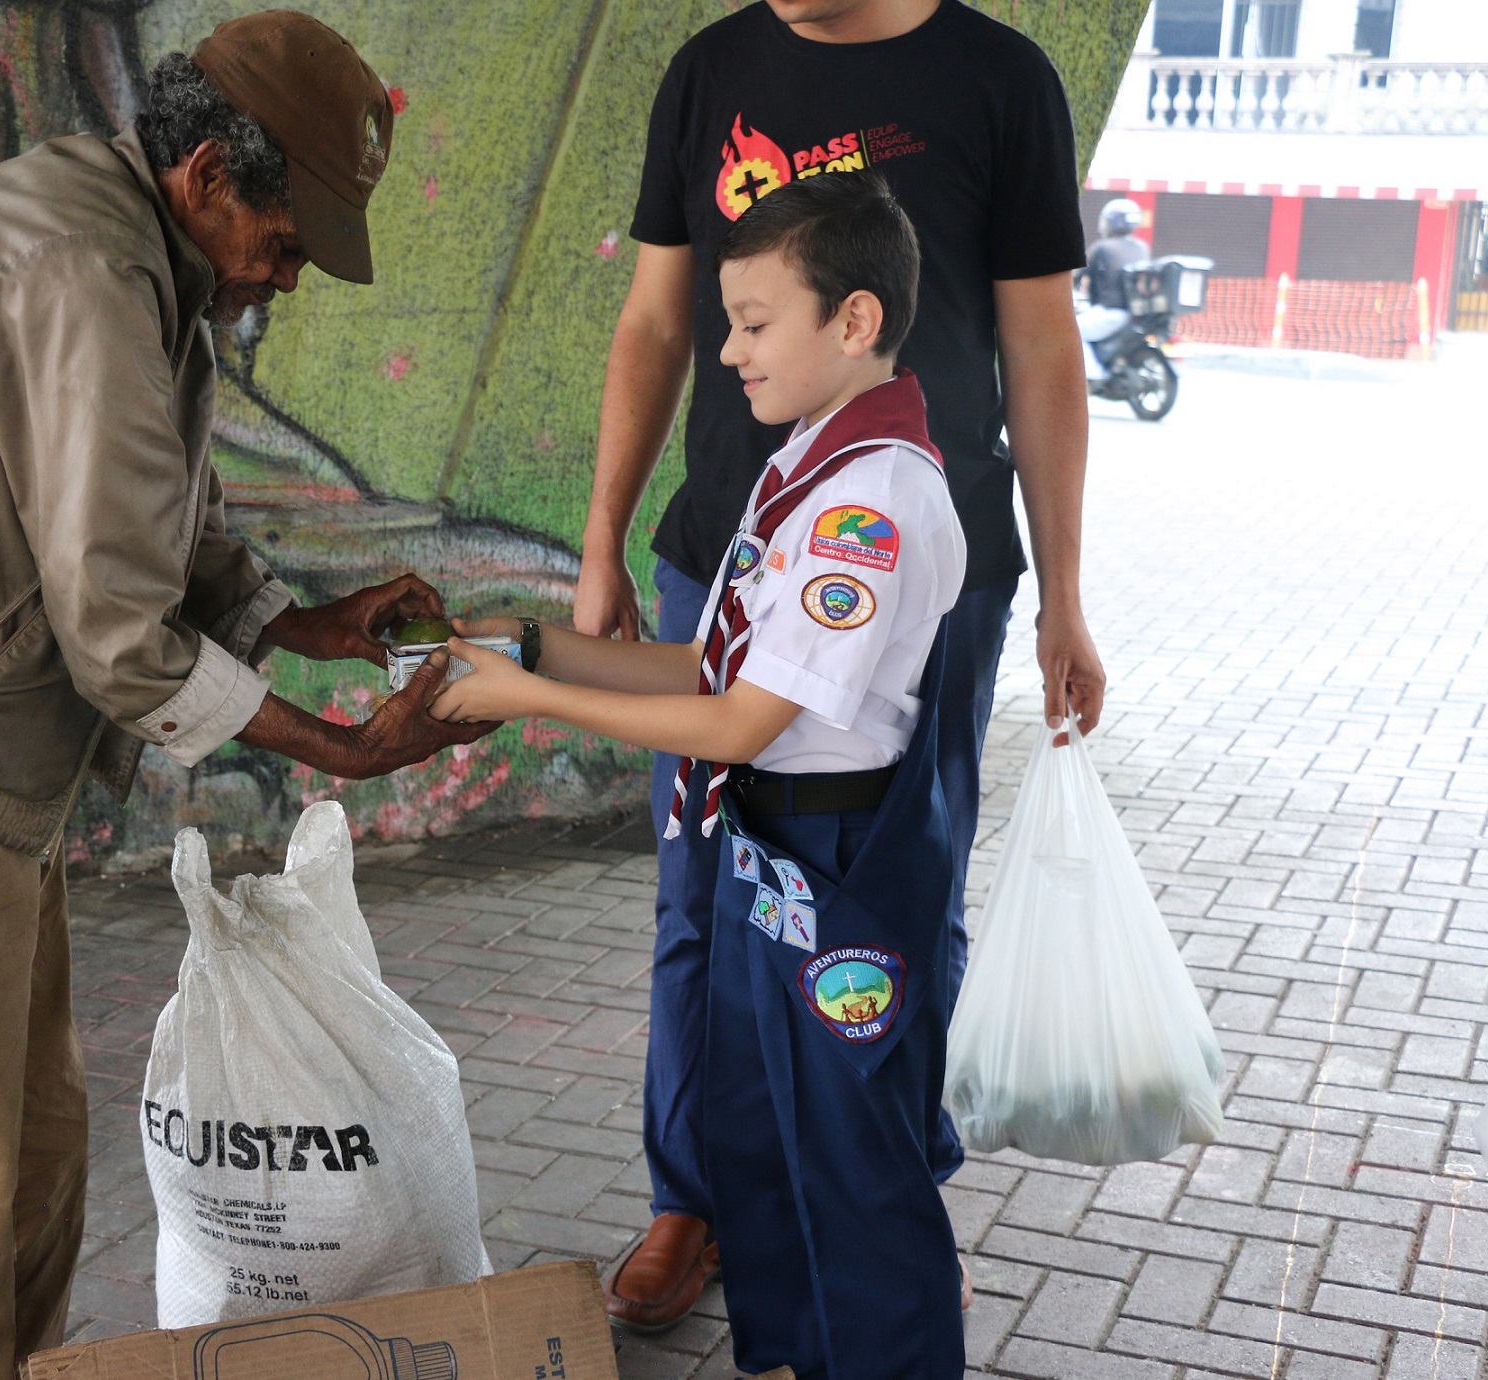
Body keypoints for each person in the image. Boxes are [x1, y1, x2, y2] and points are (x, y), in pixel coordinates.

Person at [0, 13, 489, 1377]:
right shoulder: (86, 270)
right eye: (289, 239)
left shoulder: (141, 257)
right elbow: (122, 639)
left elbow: (151, 524)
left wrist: (309, 624)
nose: (291, 277)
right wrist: (338, 748)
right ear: (205, 175)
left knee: (32, 1166)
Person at [569, 0, 1108, 1330]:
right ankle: (688, 1198)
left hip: (930, 584)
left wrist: (1065, 595)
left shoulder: (1001, 82)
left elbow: (1039, 345)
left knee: (899, 904)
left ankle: (884, 1196)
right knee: (702, 896)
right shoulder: (708, 76)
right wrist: (601, 544)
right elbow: (653, 323)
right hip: (728, 562)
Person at [433, 172, 968, 1377]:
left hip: (836, 871)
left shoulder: (868, 507)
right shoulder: (810, 470)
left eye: (754, 321)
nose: (725, 351)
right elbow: (704, 661)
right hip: (774, 856)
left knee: (854, 1175)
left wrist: (524, 700)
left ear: (857, 321)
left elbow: (734, 724)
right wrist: (524, 642)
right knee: (772, 1147)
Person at [1078, 197, 1152, 373]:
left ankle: (1093, 375)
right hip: (1135, 315)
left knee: (1072, 332)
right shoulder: (1142, 247)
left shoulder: (1102, 247)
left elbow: (1079, 274)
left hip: (1111, 311)